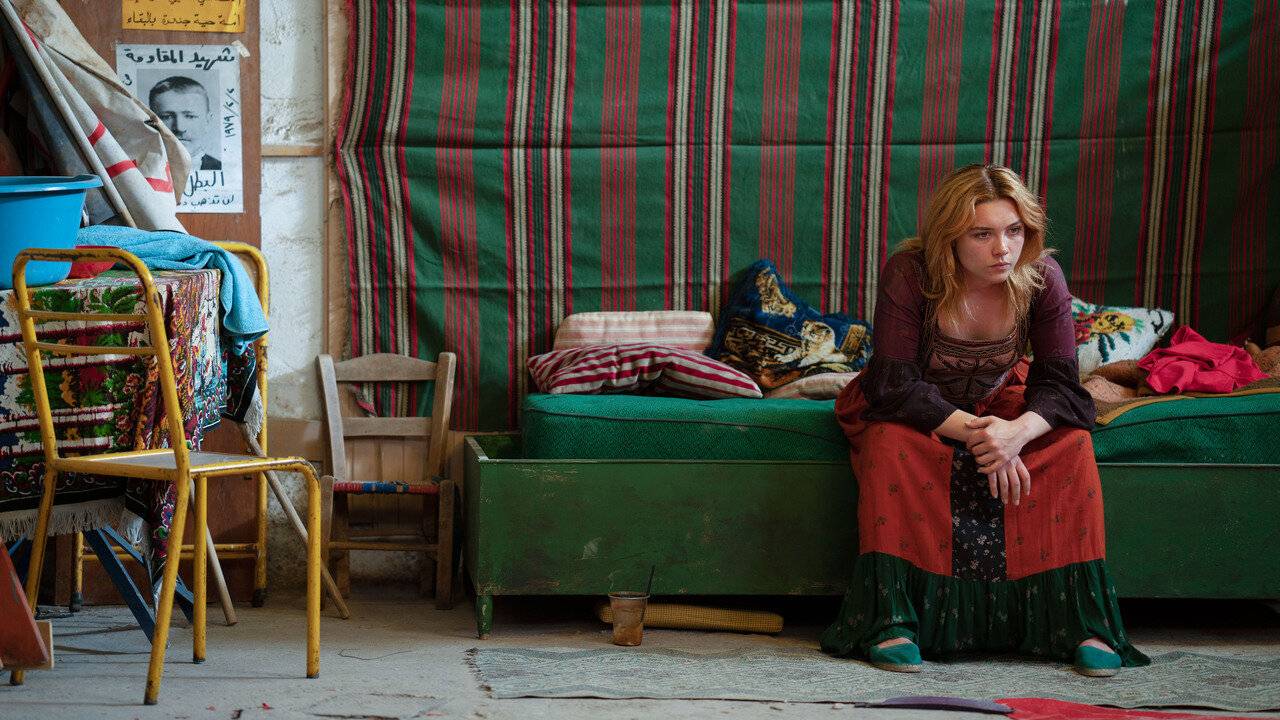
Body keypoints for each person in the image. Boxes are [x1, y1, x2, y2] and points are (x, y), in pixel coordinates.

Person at [821, 164, 1149, 677]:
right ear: (950, 237)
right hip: (914, 405)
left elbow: (1062, 386)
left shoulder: (1043, 277)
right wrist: (984, 439)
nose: (1003, 249)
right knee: (888, 444)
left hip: (1000, 405)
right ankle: (894, 622)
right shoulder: (911, 272)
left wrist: (1015, 435)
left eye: (1014, 230)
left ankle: (1084, 625)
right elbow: (894, 385)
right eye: (982, 234)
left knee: (1073, 445)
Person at [148, 76, 221, 170]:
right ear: (152, 122)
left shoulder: (225, 169)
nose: (179, 128)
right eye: (167, 117)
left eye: (190, 116)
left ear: (208, 121)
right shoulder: (137, 170)